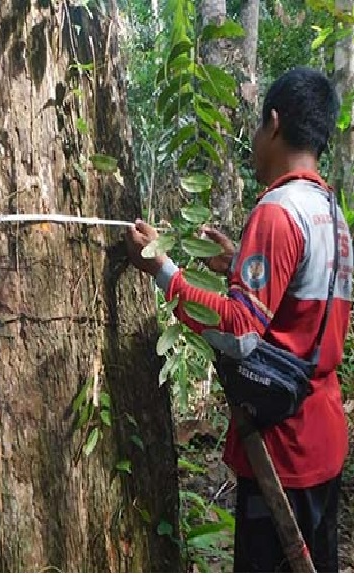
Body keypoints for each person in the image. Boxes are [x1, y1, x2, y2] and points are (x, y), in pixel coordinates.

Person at [126, 67, 352, 571]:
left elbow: (240, 332)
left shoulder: (277, 212)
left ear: (274, 123)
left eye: (255, 127)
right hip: (324, 438)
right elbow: (303, 309)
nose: (252, 141)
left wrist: (165, 271)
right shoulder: (331, 214)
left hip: (283, 448)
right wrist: (236, 266)